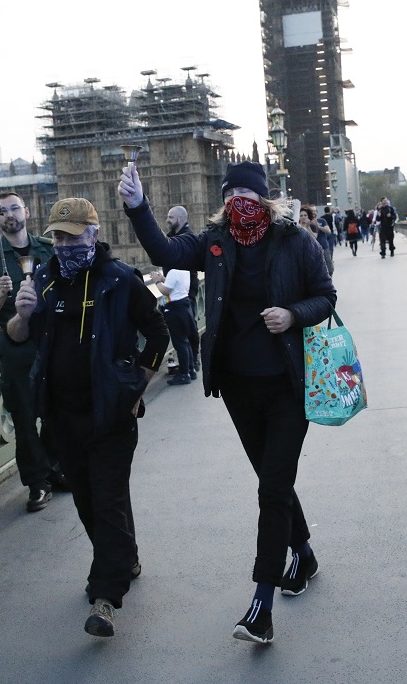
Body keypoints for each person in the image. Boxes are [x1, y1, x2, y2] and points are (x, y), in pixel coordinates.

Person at [119, 159, 336, 645]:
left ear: (264, 197)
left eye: (246, 192)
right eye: (230, 193)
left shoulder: (295, 241)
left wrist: (292, 314)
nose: (238, 200)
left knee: (272, 489)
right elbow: (164, 250)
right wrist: (137, 206)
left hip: (288, 384)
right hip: (238, 386)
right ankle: (303, 554)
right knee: (273, 480)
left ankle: (261, 605)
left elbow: (326, 297)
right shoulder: (215, 243)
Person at [7, 197, 169, 638]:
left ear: (93, 235)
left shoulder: (120, 279)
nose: (63, 245)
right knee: (86, 500)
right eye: (57, 237)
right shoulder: (43, 279)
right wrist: (21, 316)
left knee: (108, 500)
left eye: (72, 236)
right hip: (61, 415)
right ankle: (122, 559)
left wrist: (138, 386)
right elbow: (18, 337)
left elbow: (158, 333)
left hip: (111, 412)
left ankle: (106, 596)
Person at [0, 192, 60, 513]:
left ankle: (55, 468)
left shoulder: (49, 248)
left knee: (56, 410)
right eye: (3, 211)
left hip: (51, 339)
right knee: (24, 418)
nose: (9, 214)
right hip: (15, 346)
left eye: (14, 208)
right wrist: (1, 294)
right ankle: (37, 483)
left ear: (26, 212)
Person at [165, 205, 201, 373]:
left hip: (184, 293)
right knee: (185, 329)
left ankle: (191, 364)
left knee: (187, 330)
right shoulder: (173, 237)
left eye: (170, 217)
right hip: (174, 292)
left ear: (180, 219)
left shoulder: (188, 238)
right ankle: (189, 364)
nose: (167, 220)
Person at [153, 264, 195, 385]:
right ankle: (190, 370)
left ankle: (184, 374)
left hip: (175, 311)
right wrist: (162, 279)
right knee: (185, 341)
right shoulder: (184, 269)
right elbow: (174, 284)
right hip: (184, 307)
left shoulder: (173, 272)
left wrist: (156, 281)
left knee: (180, 343)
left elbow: (165, 290)